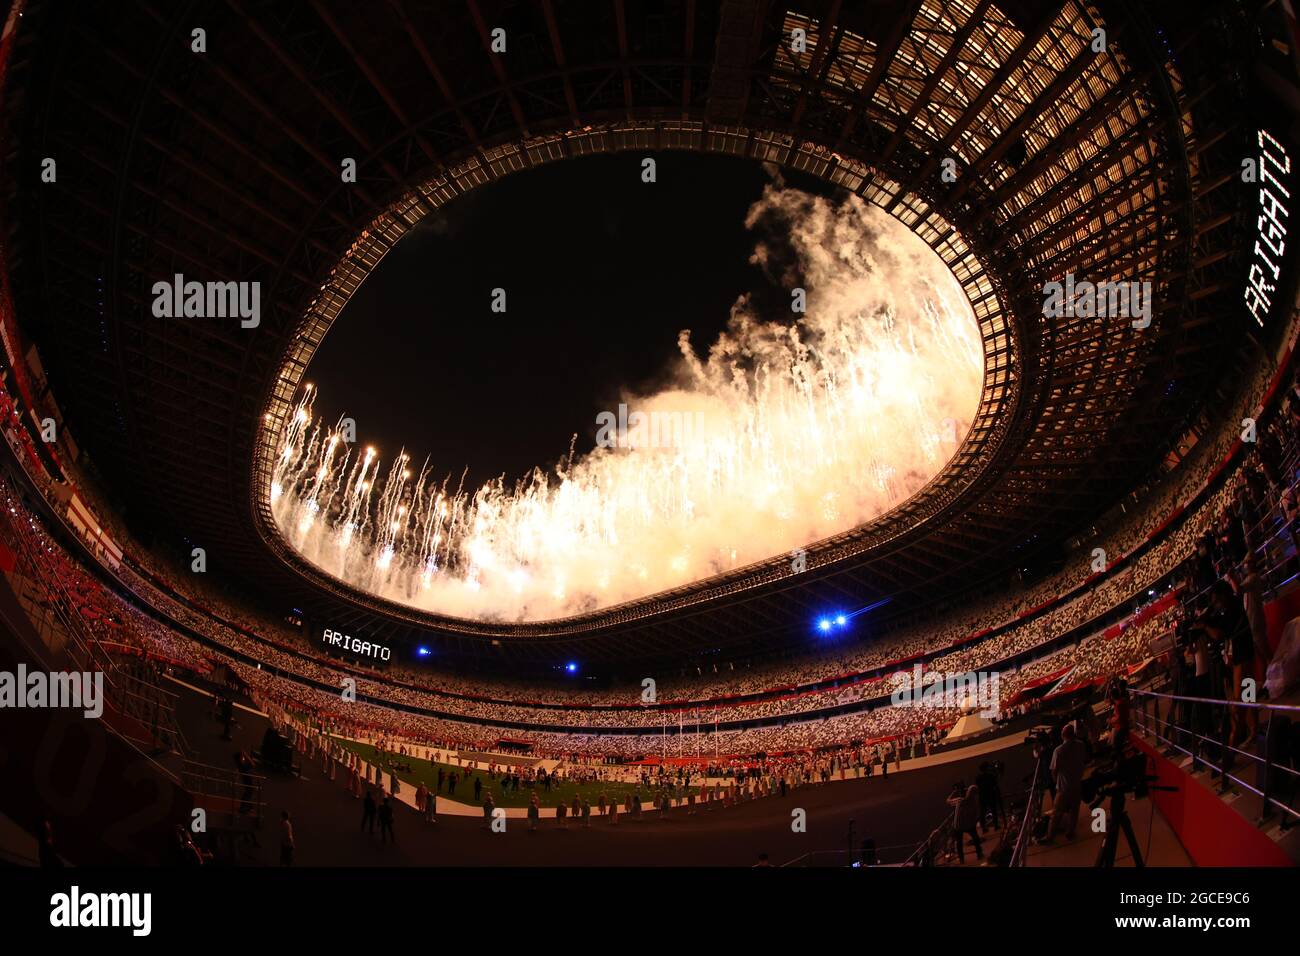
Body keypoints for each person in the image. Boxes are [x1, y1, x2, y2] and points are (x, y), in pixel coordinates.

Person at [1046, 723, 1087, 841]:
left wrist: (1056, 782)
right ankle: (1070, 831)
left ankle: (1050, 836)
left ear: (1063, 735)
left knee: (1056, 813)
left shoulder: (1058, 751)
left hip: (1063, 787)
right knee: (1074, 810)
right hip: (1077, 783)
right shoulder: (1081, 745)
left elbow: (1054, 770)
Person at [947, 783, 982, 863]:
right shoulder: (974, 803)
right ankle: (979, 853)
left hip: (958, 826)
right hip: (969, 825)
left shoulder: (960, 800)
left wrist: (954, 792)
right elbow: (976, 814)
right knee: (976, 838)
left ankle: (961, 859)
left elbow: (948, 801)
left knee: (959, 843)